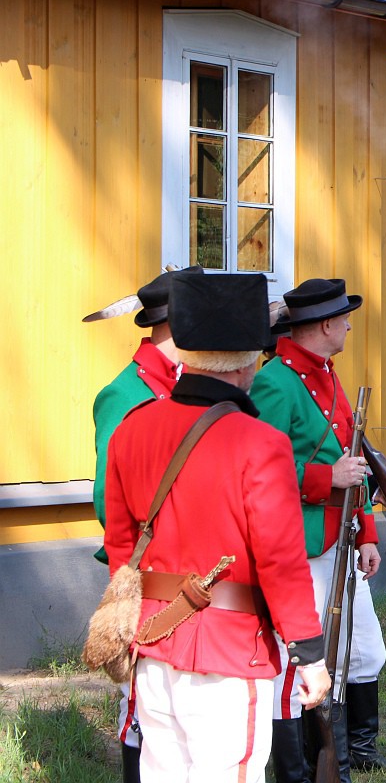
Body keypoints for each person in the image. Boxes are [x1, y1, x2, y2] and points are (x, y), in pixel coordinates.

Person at [103, 271, 331, 782]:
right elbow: (280, 561)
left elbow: (121, 545)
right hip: (231, 649)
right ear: (250, 360)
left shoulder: (131, 429)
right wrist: (310, 655)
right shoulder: (260, 443)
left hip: (153, 638)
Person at [251, 279, 386, 780]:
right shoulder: (275, 382)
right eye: (342, 318)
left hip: (339, 536)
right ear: (323, 324)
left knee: (364, 652)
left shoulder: (327, 375)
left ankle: (357, 752)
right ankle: (316, 763)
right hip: (302, 543)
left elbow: (354, 461)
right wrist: (324, 478)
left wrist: (365, 532)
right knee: (311, 663)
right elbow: (262, 472)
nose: (346, 326)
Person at [89, 264, 199, 782]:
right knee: (142, 706)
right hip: (145, 571)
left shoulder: (184, 386)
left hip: (188, 571)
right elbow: (108, 500)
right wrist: (132, 577)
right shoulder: (125, 394)